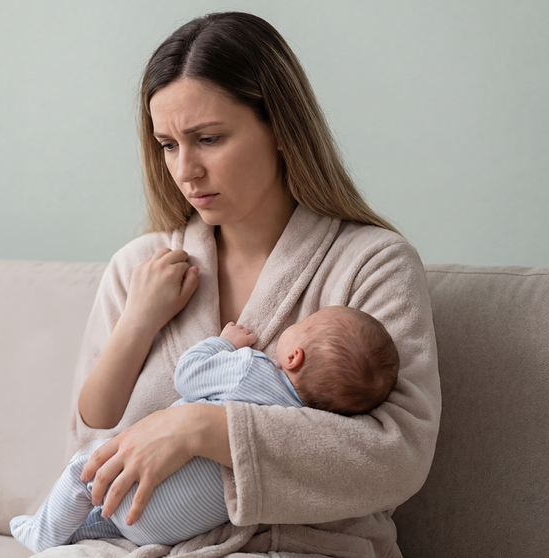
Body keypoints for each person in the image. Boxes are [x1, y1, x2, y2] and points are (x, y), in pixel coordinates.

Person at [33, 11, 440, 558]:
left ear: (279, 129)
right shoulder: (140, 267)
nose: (186, 171)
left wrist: (205, 428)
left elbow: (397, 455)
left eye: (208, 138)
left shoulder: (372, 264)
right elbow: (88, 448)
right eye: (168, 145)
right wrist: (139, 322)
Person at [12, 307, 400, 553]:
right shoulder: (308, 426)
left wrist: (222, 343)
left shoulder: (251, 368)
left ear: (293, 356)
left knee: (87, 466)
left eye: (304, 323)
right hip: (175, 529)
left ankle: (40, 536)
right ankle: (76, 534)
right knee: (107, 510)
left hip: (137, 498)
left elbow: (188, 376)